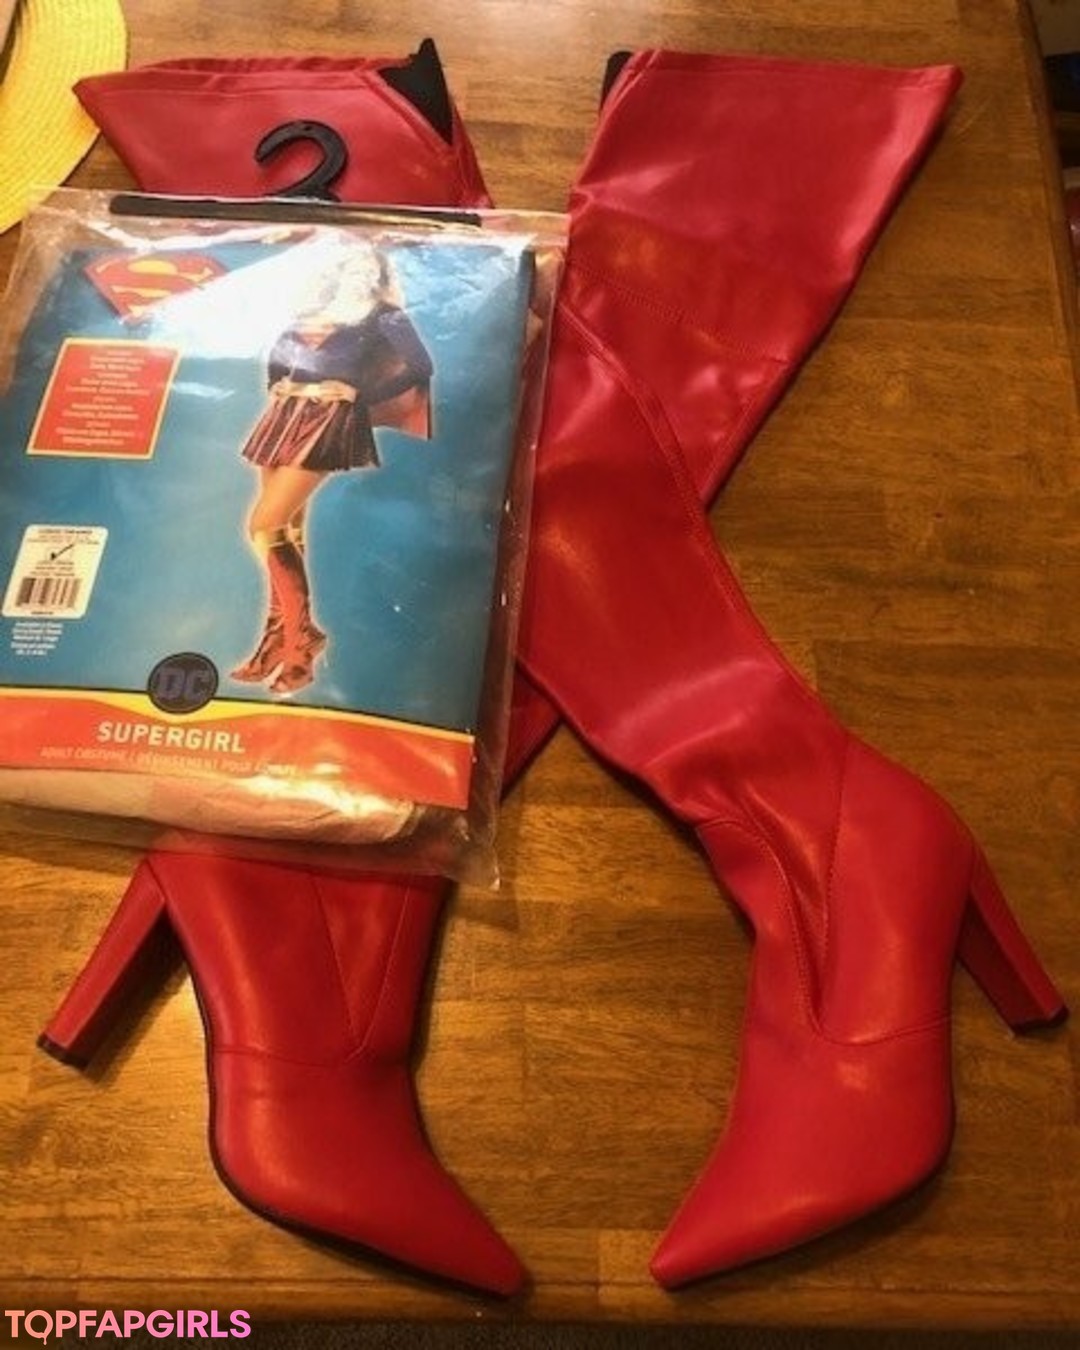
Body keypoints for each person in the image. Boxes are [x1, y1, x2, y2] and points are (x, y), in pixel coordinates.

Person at [230, 242, 433, 695]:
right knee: (287, 529)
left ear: (377, 270)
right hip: (283, 415)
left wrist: (359, 394)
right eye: (345, 264)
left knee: (264, 525)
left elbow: (420, 365)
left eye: (363, 264)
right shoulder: (310, 307)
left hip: (327, 419)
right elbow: (279, 354)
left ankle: (301, 641)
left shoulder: (385, 315)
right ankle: (280, 636)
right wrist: (278, 382)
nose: (352, 272)